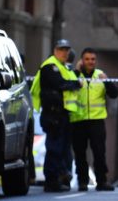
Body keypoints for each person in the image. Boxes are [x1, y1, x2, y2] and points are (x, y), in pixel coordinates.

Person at [30, 39, 82, 192]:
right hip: (52, 114)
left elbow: (68, 79)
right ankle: (51, 180)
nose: (65, 53)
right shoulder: (50, 66)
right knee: (54, 149)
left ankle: (59, 178)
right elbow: (61, 83)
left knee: (62, 149)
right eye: (62, 50)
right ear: (55, 51)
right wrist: (76, 84)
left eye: (67, 50)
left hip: (62, 114)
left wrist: (76, 74)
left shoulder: (62, 67)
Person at [70, 48, 118, 191]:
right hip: (78, 120)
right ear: (81, 60)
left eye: (93, 59)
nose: (90, 62)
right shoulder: (74, 75)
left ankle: (102, 181)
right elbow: (68, 88)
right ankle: (82, 181)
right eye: (87, 59)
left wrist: (106, 81)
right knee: (80, 153)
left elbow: (114, 94)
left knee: (99, 152)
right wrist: (76, 72)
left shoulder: (100, 75)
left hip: (96, 120)